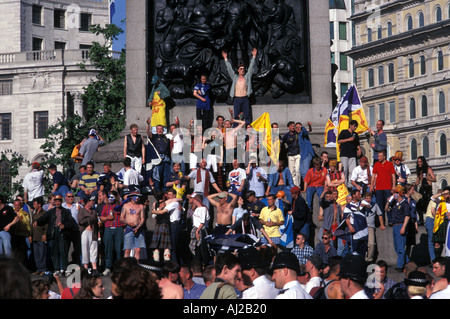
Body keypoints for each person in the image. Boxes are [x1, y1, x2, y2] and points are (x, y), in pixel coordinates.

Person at [34, 194, 77, 276]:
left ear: (61, 202)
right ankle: (56, 268)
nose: (57, 203)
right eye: (56, 201)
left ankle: (65, 269)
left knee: (63, 251)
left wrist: (65, 225)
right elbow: (44, 218)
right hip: (53, 232)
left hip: (63, 233)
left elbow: (72, 223)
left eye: (59, 201)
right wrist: (37, 221)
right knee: (54, 252)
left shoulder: (66, 212)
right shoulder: (51, 212)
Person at [222, 48, 257, 125]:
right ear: (238, 70)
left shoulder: (247, 77)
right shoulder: (235, 77)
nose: (242, 70)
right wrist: (225, 59)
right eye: (241, 69)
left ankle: (248, 130)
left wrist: (254, 57)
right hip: (237, 99)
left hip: (245, 98)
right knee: (236, 116)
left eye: (243, 69)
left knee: (247, 115)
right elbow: (229, 69)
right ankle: (236, 130)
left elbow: (251, 68)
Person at [386, 185, 411, 272]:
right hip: (395, 225)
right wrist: (388, 202)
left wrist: (403, 227)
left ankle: (400, 265)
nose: (394, 195)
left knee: (400, 247)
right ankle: (407, 262)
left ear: (400, 193)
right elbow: (387, 209)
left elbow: (407, 216)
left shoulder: (405, 204)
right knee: (396, 247)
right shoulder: (395, 203)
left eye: (396, 193)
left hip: (400, 225)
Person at [99, 191, 124, 276]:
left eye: (112, 197)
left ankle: (119, 267)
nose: (110, 199)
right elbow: (101, 218)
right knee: (108, 248)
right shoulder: (105, 206)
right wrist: (107, 218)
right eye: (109, 197)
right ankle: (108, 267)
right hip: (108, 228)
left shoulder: (120, 205)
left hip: (118, 228)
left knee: (119, 248)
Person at [371, 150, 396, 225]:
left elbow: (393, 176)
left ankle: (390, 220)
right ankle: (381, 221)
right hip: (379, 188)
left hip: (388, 187)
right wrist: (372, 185)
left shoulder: (390, 164)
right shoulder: (376, 164)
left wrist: (393, 186)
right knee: (379, 205)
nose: (378, 158)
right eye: (378, 156)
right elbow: (373, 175)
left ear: (384, 156)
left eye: (380, 156)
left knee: (388, 203)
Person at [120, 191, 146, 260]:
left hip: (139, 229)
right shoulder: (126, 206)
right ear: (131, 196)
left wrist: (138, 226)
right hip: (129, 229)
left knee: (138, 250)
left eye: (138, 196)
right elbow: (121, 218)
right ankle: (127, 267)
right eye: (135, 196)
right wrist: (128, 223)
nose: (137, 198)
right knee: (127, 249)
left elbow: (142, 218)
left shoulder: (141, 206)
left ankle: (136, 266)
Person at [360, 191, 386, 263]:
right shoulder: (361, 205)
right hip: (361, 227)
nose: (368, 200)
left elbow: (380, 214)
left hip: (370, 227)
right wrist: (362, 206)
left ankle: (369, 259)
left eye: (369, 198)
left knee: (371, 243)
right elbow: (356, 211)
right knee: (362, 244)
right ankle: (362, 259)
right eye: (367, 198)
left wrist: (382, 224)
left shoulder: (374, 205)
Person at [78, 196, 100, 276]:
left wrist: (98, 234)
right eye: (92, 201)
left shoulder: (94, 212)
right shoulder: (82, 211)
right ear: (88, 202)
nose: (93, 202)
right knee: (85, 250)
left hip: (93, 233)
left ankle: (95, 268)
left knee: (94, 249)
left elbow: (96, 224)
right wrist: (89, 219)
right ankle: (86, 268)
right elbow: (80, 221)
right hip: (85, 232)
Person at [343, 189, 369, 257]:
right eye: (358, 194)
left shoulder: (362, 202)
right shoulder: (349, 206)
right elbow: (347, 218)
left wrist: (365, 205)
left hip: (364, 232)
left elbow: (369, 206)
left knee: (363, 252)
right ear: (353, 195)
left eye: (360, 194)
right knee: (355, 252)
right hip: (355, 232)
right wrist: (350, 226)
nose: (360, 195)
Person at [337, 120, 361, 188]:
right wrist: (348, 139)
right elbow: (339, 141)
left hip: (353, 154)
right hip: (344, 154)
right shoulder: (344, 132)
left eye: (356, 126)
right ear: (350, 125)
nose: (355, 128)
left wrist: (359, 149)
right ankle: (345, 186)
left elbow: (357, 143)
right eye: (354, 126)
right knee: (345, 170)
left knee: (352, 170)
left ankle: (350, 186)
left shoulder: (355, 134)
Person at [414, 156, 436, 226]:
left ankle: (428, 219)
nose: (419, 163)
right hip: (422, 188)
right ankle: (421, 220)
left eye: (420, 162)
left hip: (427, 189)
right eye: (418, 162)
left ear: (423, 162)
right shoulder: (419, 171)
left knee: (427, 205)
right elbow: (418, 182)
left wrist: (427, 178)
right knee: (418, 204)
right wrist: (413, 184)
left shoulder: (428, 169)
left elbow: (434, 179)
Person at [189, 194, 211, 265]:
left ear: (197, 200)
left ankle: (204, 264)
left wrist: (198, 231)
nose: (193, 201)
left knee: (202, 248)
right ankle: (196, 263)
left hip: (200, 230)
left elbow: (202, 222)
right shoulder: (197, 209)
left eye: (194, 199)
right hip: (195, 229)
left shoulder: (203, 209)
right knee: (195, 248)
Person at [30, 196, 48, 274]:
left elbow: (47, 225)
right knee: (36, 254)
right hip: (35, 236)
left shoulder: (44, 214)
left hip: (41, 236)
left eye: (35, 204)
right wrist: (30, 235)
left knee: (42, 254)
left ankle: (43, 269)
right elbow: (31, 225)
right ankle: (38, 268)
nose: (33, 205)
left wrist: (45, 234)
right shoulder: (34, 214)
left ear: (39, 204)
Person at [281, 121, 300, 187]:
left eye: (293, 125)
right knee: (291, 171)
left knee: (297, 170)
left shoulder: (297, 133)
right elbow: (281, 142)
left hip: (298, 153)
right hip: (290, 154)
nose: (293, 127)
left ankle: (298, 185)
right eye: (291, 125)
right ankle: (293, 185)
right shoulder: (286, 135)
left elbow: (307, 131)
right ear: (288, 127)